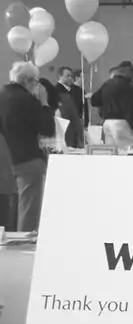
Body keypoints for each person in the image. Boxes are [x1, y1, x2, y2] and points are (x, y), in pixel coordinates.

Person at [0, 62, 55, 232]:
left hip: (5, 157)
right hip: (27, 158)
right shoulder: (29, 100)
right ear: (29, 81)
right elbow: (47, 129)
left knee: (9, 206)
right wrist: (44, 103)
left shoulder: (1, 95)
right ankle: (25, 244)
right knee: (28, 207)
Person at [90, 61, 133, 148]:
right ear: (125, 72)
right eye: (131, 71)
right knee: (128, 154)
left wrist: (105, 106)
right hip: (123, 123)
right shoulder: (131, 86)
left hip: (107, 123)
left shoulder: (107, 84)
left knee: (112, 154)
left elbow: (94, 101)